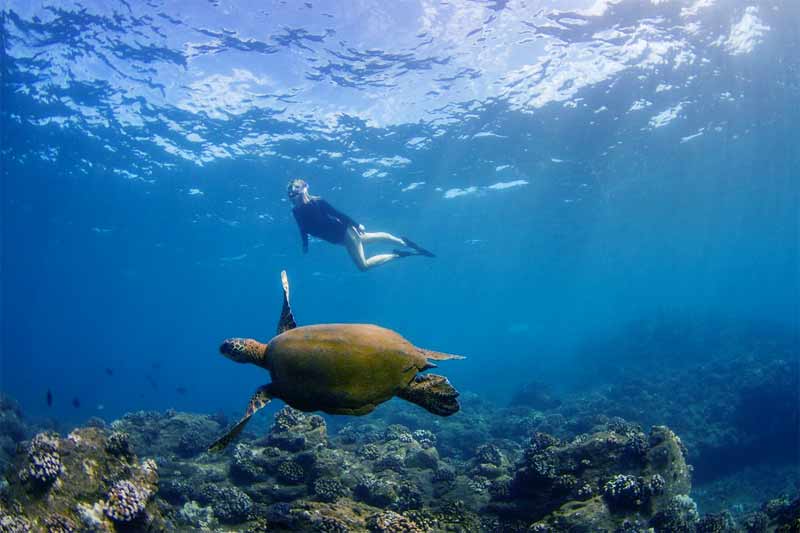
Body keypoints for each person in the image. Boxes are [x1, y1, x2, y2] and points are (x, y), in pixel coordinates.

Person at [287, 179, 434, 271]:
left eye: (297, 195)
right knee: (373, 238)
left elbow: (338, 214)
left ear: (305, 190)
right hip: (338, 239)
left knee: (363, 266)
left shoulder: (317, 202)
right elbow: (303, 229)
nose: (295, 200)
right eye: (292, 197)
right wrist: (305, 244)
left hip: (345, 233)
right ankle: (404, 243)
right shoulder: (296, 212)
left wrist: (357, 226)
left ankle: (397, 255)